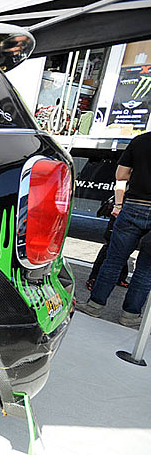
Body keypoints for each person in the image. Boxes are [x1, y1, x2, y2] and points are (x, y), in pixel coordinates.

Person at [79, 131, 151, 327]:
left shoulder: (140, 141)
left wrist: (119, 204)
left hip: (134, 205)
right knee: (146, 270)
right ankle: (130, 315)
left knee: (113, 261)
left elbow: (121, 175)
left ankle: (94, 305)